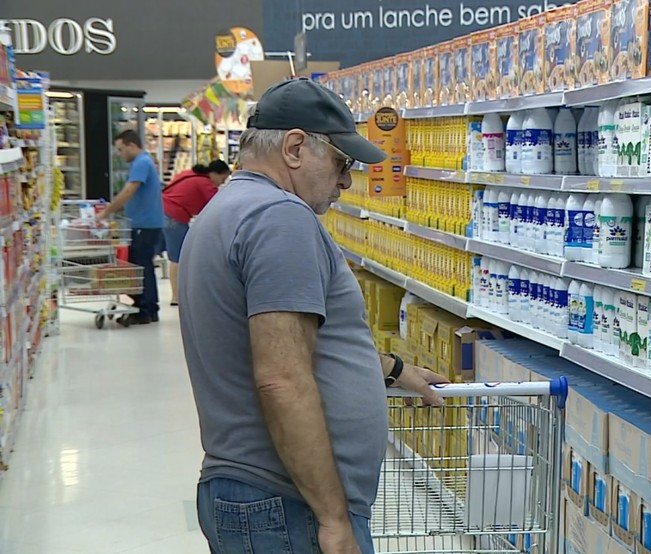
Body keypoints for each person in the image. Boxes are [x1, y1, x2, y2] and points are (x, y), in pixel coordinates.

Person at [178, 78, 447, 554]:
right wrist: (333, 517)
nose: (346, 181)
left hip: (257, 493)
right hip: (287, 504)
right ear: (296, 147)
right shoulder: (279, 218)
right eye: (342, 163)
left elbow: (284, 340)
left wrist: (392, 369)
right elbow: (280, 377)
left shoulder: (229, 209)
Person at [97, 129, 164, 325]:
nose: (120, 154)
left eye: (121, 149)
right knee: (144, 266)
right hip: (145, 223)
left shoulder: (141, 162)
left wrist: (106, 212)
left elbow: (128, 191)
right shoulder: (143, 161)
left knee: (141, 267)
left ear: (131, 145)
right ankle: (148, 308)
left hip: (145, 224)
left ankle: (145, 309)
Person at [162, 160, 230, 305]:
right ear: (215, 174)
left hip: (162, 210)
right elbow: (219, 206)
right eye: (222, 179)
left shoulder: (188, 173)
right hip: (174, 215)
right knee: (178, 257)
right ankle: (176, 296)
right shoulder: (206, 184)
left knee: (176, 255)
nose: (220, 183)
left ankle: (179, 294)